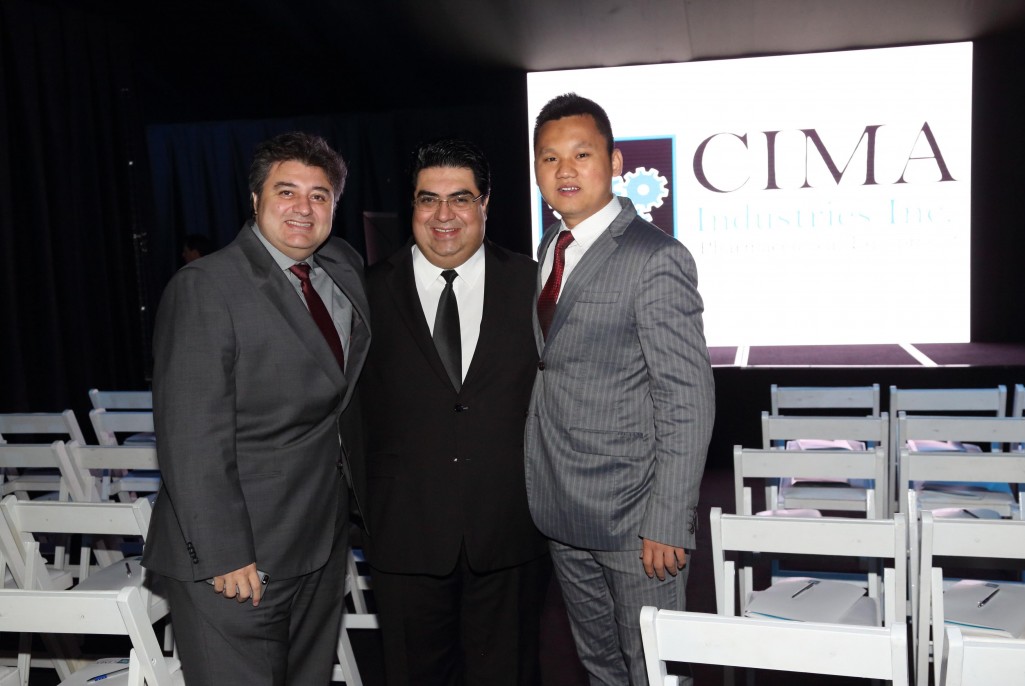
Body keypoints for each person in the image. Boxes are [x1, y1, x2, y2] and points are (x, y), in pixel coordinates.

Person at [142, 131, 371, 685]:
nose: (302, 208)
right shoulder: (206, 286)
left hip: (321, 539)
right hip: (239, 556)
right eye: (286, 191)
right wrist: (222, 552)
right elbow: (191, 435)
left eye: (319, 195)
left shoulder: (342, 268)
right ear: (255, 199)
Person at [524, 93, 716, 685]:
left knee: (654, 671)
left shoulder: (656, 258)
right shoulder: (550, 247)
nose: (564, 169)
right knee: (599, 667)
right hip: (562, 509)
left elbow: (687, 400)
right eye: (549, 158)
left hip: (636, 520)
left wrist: (668, 521)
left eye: (581, 154)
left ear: (614, 163)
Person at [356, 139, 549, 685]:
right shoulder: (364, 292)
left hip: (511, 527)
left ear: (485, 204)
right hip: (404, 532)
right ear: (412, 206)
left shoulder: (533, 284)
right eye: (428, 199)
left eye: (460, 198)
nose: (444, 215)